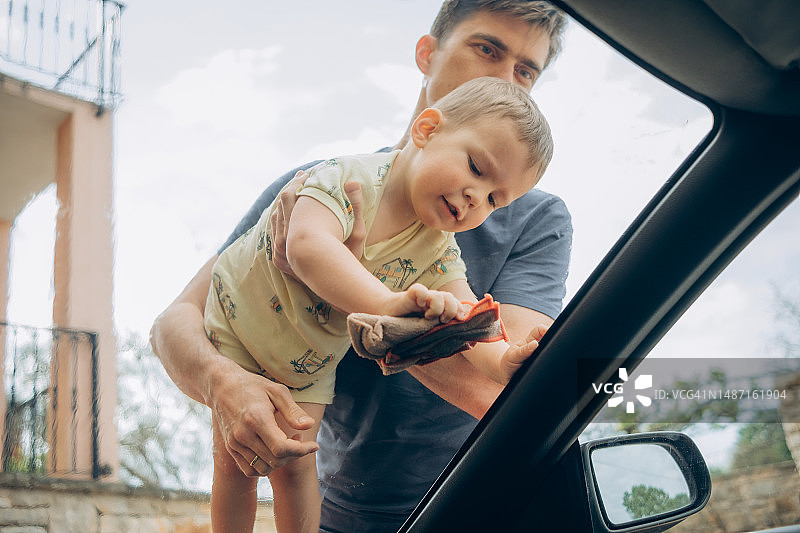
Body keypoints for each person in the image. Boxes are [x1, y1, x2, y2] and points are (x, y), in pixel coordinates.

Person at [150, 1, 572, 531]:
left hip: (469, 508)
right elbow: (174, 324)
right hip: (341, 515)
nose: (508, 80)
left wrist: (360, 298)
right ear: (427, 54)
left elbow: (503, 395)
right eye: (488, 49)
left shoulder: (532, 219)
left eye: (526, 71)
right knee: (245, 468)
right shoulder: (320, 184)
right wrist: (222, 382)